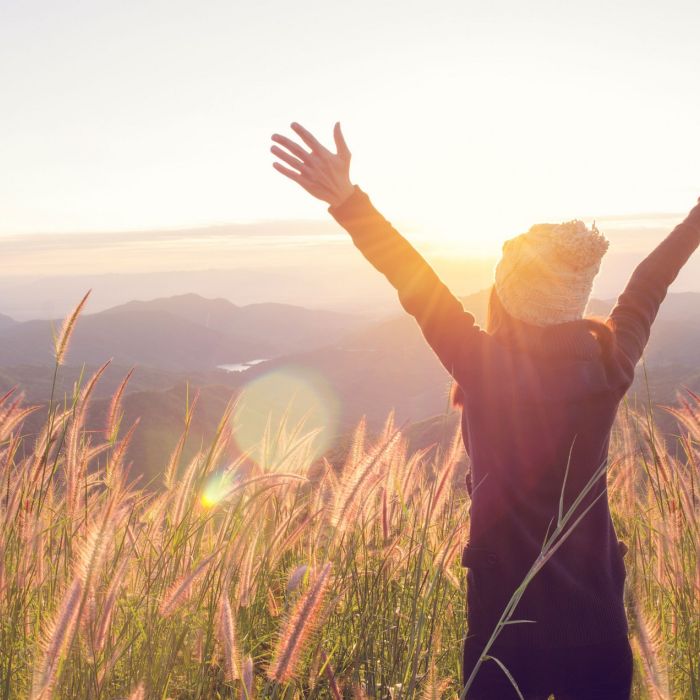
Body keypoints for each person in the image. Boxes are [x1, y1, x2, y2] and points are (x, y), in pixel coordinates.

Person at [270, 122, 700, 699]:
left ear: (507, 296)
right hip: (596, 622)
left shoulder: (483, 366)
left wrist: (348, 201)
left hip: (503, 629)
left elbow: (413, 280)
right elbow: (651, 281)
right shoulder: (609, 365)